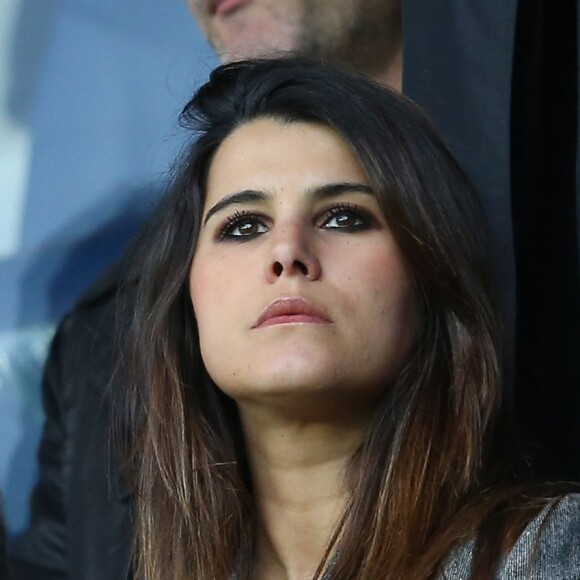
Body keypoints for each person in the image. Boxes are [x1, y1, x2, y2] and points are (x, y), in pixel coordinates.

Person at [9, 0, 580, 578]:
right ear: (186, 299)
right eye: (243, 227)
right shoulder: (94, 347)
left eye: (343, 218)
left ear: (431, 277)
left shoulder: (549, 555)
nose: (286, 253)